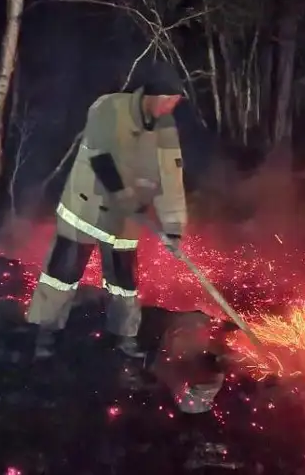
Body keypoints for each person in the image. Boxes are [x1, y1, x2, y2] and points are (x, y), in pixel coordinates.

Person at [26, 62, 188, 359]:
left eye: (176, 102)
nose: (172, 106)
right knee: (62, 273)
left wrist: (174, 226)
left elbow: (171, 176)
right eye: (169, 99)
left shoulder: (166, 127)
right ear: (150, 94)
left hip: (126, 220)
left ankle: (124, 337)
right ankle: (46, 335)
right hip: (86, 208)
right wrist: (123, 194)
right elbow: (100, 155)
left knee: (124, 281)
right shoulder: (109, 108)